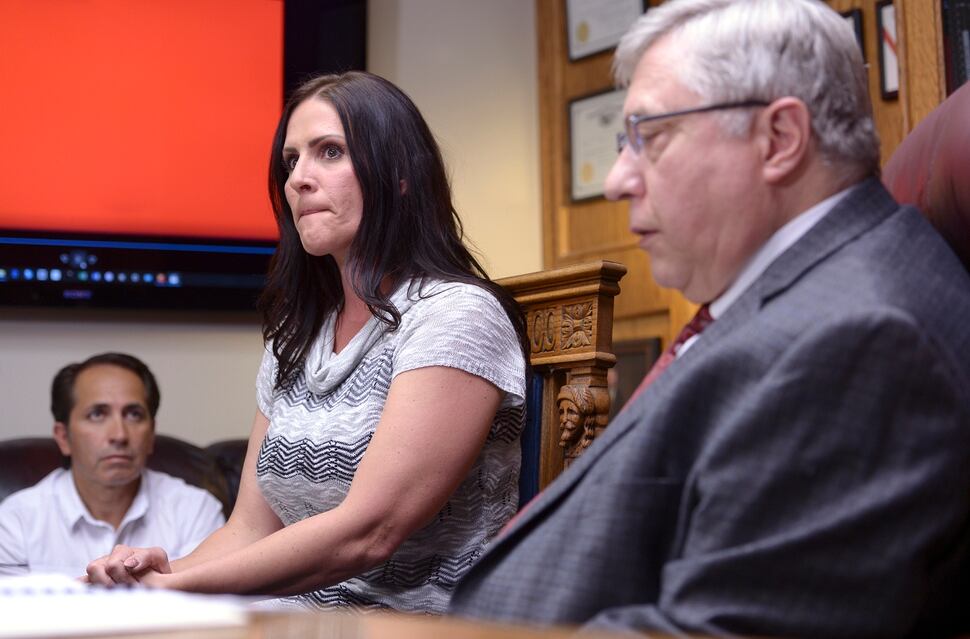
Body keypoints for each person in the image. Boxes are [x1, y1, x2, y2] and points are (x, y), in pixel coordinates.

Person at [448, 1, 970, 637]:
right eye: (621, 142)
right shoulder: (799, 297)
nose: (616, 180)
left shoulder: (860, 339)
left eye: (651, 137)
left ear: (779, 139)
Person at [86, 71, 528, 614]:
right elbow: (249, 528)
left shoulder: (457, 316)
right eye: (291, 160)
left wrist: (174, 591)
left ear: (399, 176)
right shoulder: (295, 337)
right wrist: (152, 577)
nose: (298, 179)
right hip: (303, 623)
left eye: (329, 152)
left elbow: (368, 531)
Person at [0, 352, 224, 577]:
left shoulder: (195, 511)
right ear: (63, 437)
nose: (119, 435)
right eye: (97, 414)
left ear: (151, 434)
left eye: (134, 414)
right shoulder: (15, 522)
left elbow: (208, 606)